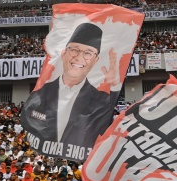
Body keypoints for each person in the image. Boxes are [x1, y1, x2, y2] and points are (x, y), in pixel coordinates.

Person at [21, 23, 120, 154]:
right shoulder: (40, 95)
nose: (79, 57)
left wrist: (115, 85)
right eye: (74, 50)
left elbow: (108, 119)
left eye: (88, 53)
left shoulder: (100, 99)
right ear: (63, 54)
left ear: (95, 60)